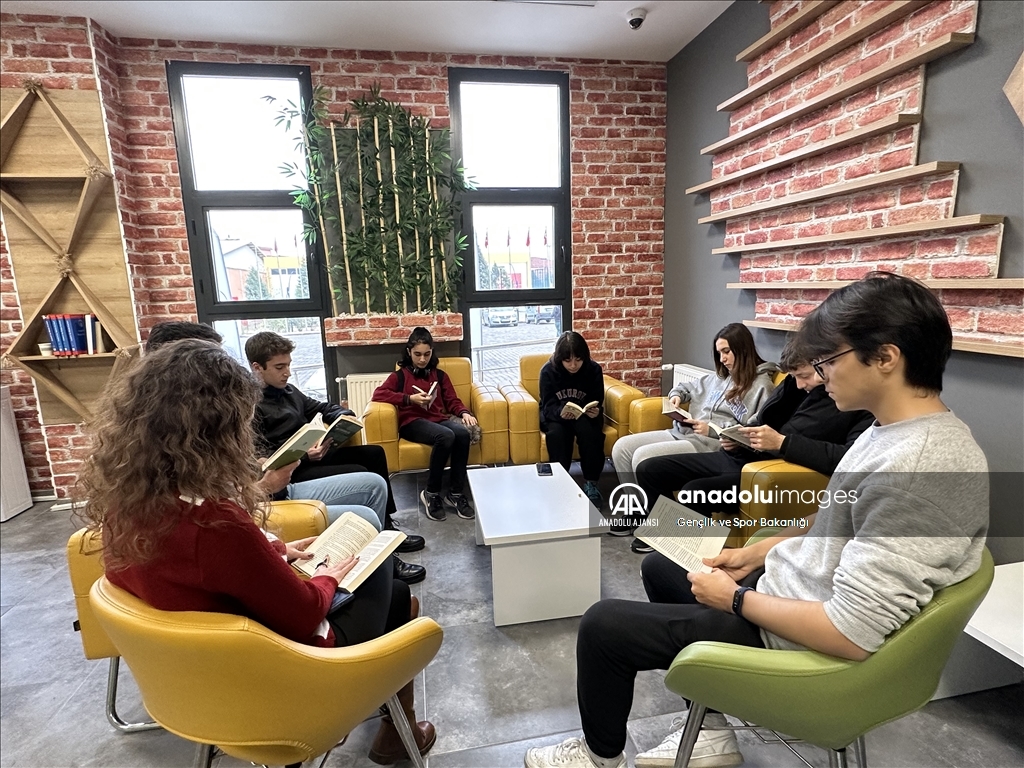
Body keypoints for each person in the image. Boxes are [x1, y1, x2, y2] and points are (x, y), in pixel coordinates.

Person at [525, 273, 989, 768]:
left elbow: (851, 633)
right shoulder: (888, 434)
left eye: (830, 360)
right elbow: (836, 515)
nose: (821, 374)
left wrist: (736, 598)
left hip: (800, 649)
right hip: (788, 594)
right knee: (661, 564)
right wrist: (754, 553)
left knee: (602, 626)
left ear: (885, 358)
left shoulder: (917, 468)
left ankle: (598, 758)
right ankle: (711, 729)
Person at [77, 339, 437, 765]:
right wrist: (328, 578)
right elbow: (303, 613)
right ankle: (394, 726)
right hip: (280, 674)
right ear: (218, 430)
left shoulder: (126, 504)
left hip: (199, 678)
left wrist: (275, 550)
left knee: (397, 597)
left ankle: (398, 727)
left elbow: (201, 571)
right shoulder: (216, 523)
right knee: (382, 572)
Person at [630, 337, 873, 552]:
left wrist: (781, 443)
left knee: (695, 491)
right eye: (794, 376)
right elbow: (765, 418)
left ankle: (702, 561)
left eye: (804, 376)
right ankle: (670, 541)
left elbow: (846, 458)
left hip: (770, 469)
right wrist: (741, 437)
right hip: (743, 455)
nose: (800, 383)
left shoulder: (855, 404)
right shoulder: (794, 386)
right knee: (650, 469)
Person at [244, 331, 426, 585]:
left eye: (289, 365)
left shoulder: (289, 391)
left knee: (373, 454)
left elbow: (322, 407)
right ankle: (382, 548)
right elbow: (264, 458)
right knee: (363, 471)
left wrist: (344, 416)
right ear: (257, 368)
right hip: (293, 471)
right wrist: (305, 455)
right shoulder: (252, 406)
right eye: (279, 367)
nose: (287, 373)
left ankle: (387, 526)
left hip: (311, 455)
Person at [609, 323, 778, 534]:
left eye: (727, 352)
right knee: (622, 448)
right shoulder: (720, 377)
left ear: (743, 349)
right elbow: (686, 387)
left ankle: (661, 526)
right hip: (684, 432)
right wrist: (676, 396)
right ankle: (638, 512)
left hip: (711, 445)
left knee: (642, 457)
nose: (722, 359)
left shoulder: (762, 387)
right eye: (719, 353)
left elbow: (753, 429)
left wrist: (713, 429)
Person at [371, 327, 479, 522]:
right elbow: (378, 394)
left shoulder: (440, 375)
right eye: (417, 354)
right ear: (409, 352)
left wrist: (464, 412)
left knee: (463, 434)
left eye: (427, 354)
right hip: (411, 422)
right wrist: (409, 399)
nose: (422, 359)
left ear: (432, 352)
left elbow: (452, 400)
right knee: (445, 436)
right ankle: (431, 492)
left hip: (437, 419)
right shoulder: (400, 376)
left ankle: (455, 493)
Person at [538, 331, 606, 508]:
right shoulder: (548, 371)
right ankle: (560, 482)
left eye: (578, 359)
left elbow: (597, 399)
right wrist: (560, 412)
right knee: (557, 435)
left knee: (591, 433)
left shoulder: (594, 370)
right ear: (560, 358)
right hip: (556, 416)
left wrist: (596, 411)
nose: (573, 365)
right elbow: (547, 405)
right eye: (568, 360)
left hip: (585, 416)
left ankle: (591, 483)